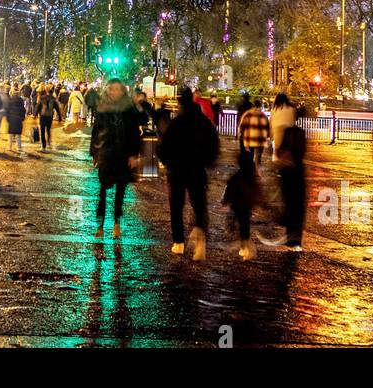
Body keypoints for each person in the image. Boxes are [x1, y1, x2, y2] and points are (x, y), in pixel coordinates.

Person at [157, 87, 219, 260]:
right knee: (199, 205)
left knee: (176, 206)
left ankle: (179, 242)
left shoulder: (176, 123)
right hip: (197, 169)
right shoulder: (204, 122)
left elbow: (164, 147)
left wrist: (167, 162)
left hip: (177, 170)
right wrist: (207, 162)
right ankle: (200, 234)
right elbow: (214, 145)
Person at [89, 79, 143, 239]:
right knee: (103, 190)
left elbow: (135, 133)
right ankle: (100, 223)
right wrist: (94, 153)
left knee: (120, 190)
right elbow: (96, 132)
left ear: (123, 91)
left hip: (123, 154)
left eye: (118, 89)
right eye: (112, 89)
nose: (115, 92)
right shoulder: (103, 108)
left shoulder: (129, 110)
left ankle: (116, 222)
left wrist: (134, 154)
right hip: (106, 154)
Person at [263, 103, 308, 251]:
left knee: (289, 203)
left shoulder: (286, 131)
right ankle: (296, 238)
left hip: (287, 173)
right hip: (298, 172)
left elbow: (278, 149)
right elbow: (302, 151)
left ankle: (290, 237)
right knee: (298, 206)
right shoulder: (301, 133)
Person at [222, 148, 260, 260]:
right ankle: (244, 244)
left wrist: (226, 199)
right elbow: (257, 191)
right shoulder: (252, 178)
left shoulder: (236, 177)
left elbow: (230, 189)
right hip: (247, 205)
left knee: (234, 218)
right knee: (245, 224)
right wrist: (258, 201)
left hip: (237, 204)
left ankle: (233, 231)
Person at [237, 97, 271, 168]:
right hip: (260, 139)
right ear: (260, 106)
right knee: (258, 154)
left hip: (249, 138)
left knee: (251, 153)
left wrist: (242, 134)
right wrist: (267, 136)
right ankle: (257, 168)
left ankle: (250, 167)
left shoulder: (247, 114)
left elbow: (242, 126)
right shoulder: (263, 115)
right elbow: (268, 127)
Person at [268, 93, 297, 162]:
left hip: (278, 133)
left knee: (277, 153)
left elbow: (271, 122)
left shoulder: (274, 109)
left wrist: (271, 136)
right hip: (291, 133)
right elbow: (294, 120)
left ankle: (276, 157)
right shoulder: (292, 108)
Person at [3, 84, 26, 154]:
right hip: (18, 118)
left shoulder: (10, 101)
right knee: (18, 134)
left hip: (12, 118)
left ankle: (10, 147)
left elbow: (7, 110)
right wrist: (22, 118)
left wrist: (7, 118)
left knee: (10, 133)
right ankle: (19, 147)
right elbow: (23, 110)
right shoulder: (21, 101)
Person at [37, 84, 57, 149]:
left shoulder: (42, 97)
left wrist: (35, 114)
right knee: (48, 130)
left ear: (46, 90)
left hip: (43, 116)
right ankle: (49, 142)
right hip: (49, 116)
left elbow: (38, 106)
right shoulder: (53, 98)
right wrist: (59, 116)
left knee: (42, 131)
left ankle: (43, 145)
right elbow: (57, 108)